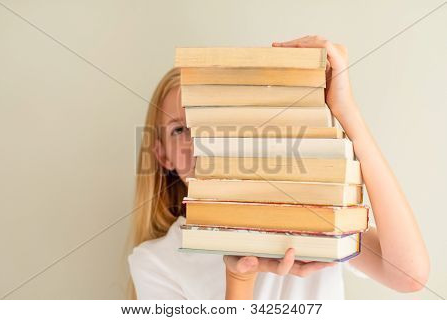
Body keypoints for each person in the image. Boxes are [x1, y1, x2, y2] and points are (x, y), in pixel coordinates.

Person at [127, 36, 430, 299]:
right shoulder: (155, 262)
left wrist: (345, 110)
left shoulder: (313, 211)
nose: (201, 139)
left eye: (210, 116)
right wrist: (240, 278)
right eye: (179, 129)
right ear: (163, 155)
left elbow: (409, 274)